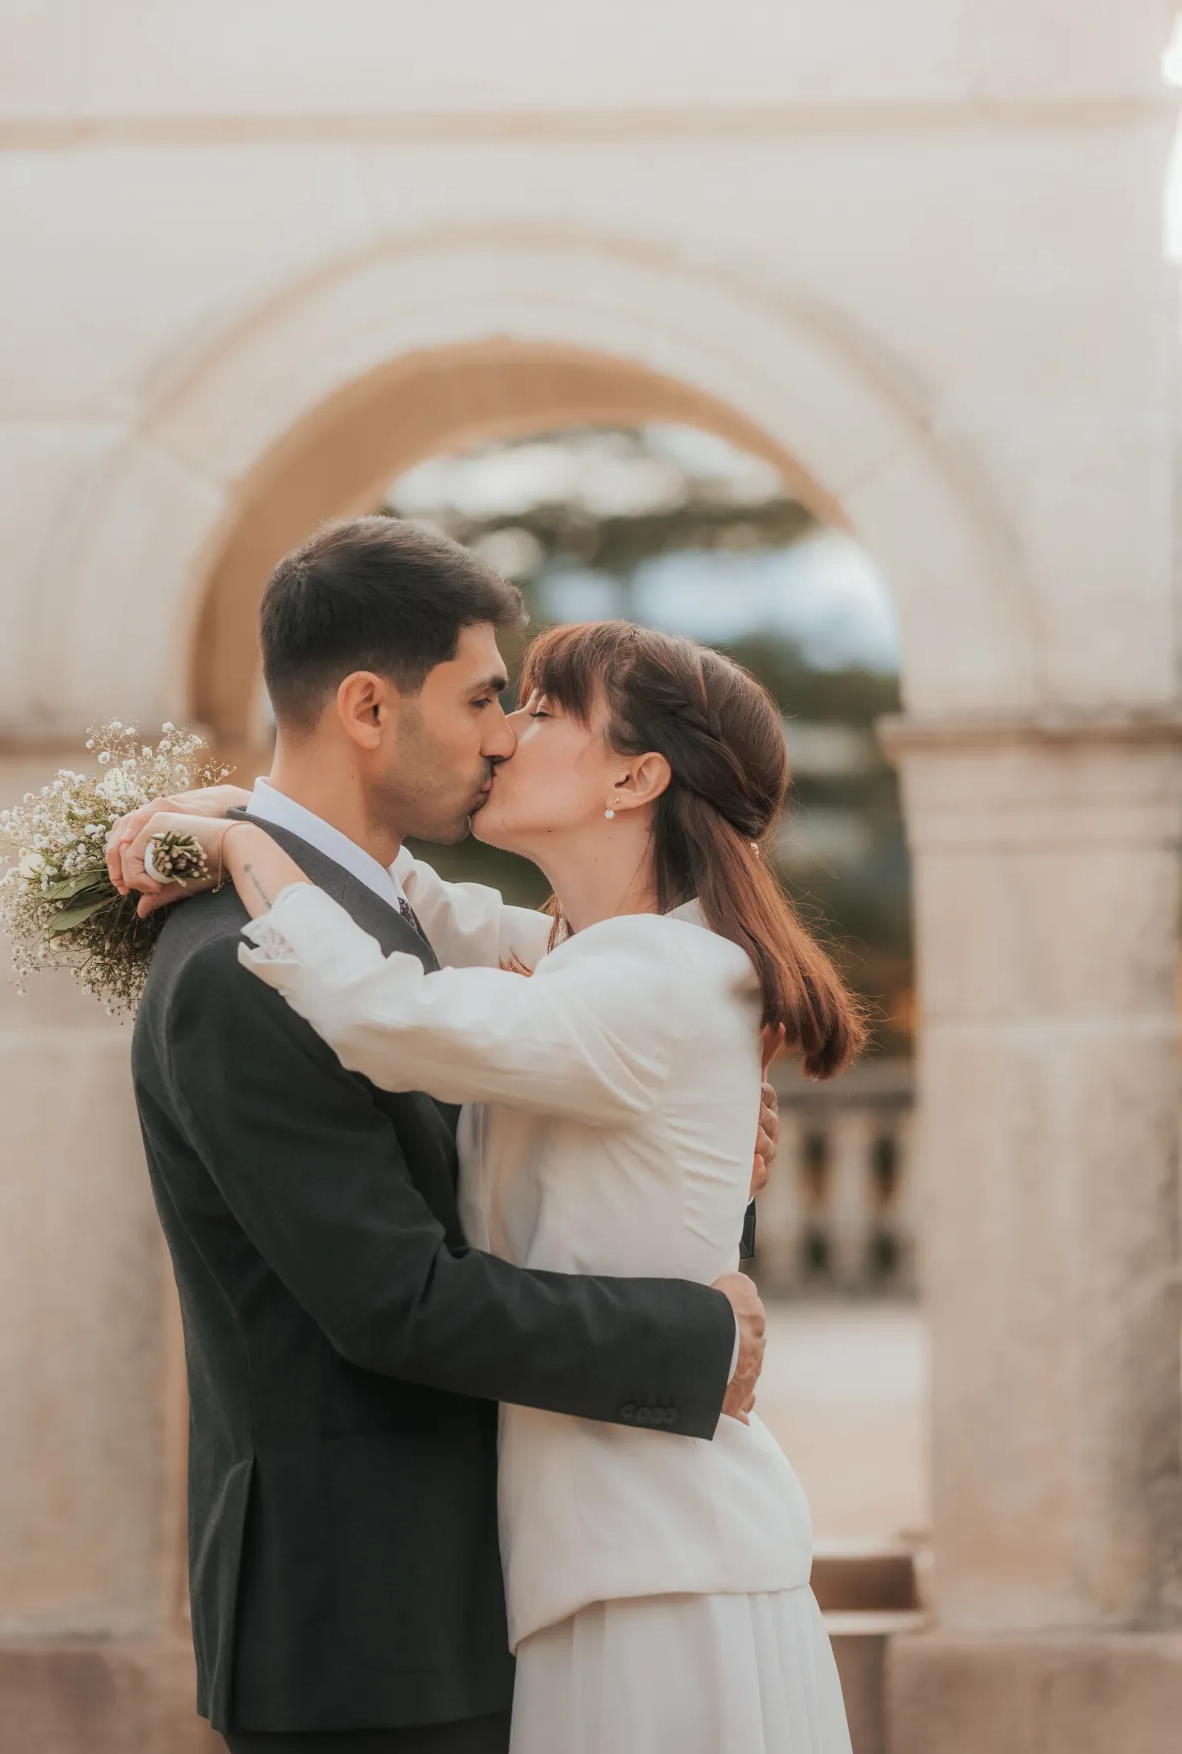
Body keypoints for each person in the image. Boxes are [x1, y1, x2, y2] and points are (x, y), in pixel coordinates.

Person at [115, 558, 868, 1754]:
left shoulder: (655, 977)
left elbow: (380, 1006)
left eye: (538, 707)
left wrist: (253, 849)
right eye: (488, 699)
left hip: (643, 1558)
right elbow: (429, 913)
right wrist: (241, 821)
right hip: (476, 1593)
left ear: (635, 774)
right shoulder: (574, 955)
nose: (507, 733)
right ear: (369, 706)